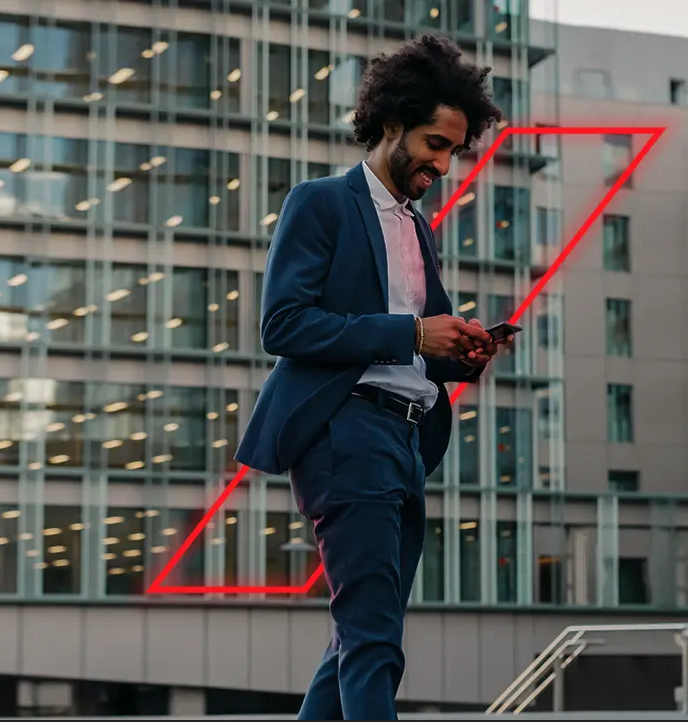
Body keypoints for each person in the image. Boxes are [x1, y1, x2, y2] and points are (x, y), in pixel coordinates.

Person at [233, 33, 513, 721]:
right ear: (390, 125)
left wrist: (461, 352)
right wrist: (414, 333)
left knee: (358, 636)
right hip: (345, 433)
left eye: (452, 149)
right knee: (372, 636)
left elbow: (420, 348)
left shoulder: (417, 230)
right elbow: (285, 326)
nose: (442, 163)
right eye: (432, 143)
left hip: (407, 442)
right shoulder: (320, 203)